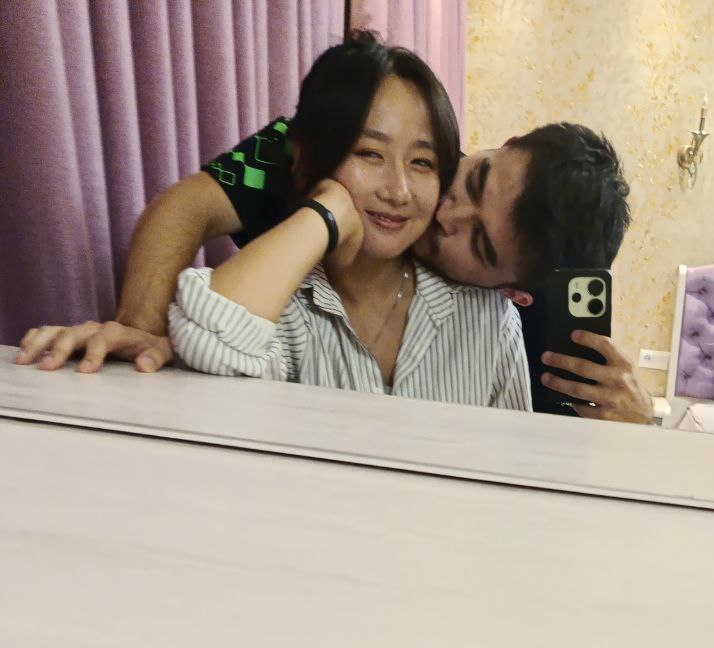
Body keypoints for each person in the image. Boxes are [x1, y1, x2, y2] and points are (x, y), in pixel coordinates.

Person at [15, 42, 652, 422]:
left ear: (510, 288)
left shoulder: (491, 321)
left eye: (478, 244)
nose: (433, 205)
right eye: (474, 177)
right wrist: (143, 327)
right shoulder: (333, 148)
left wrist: (634, 434)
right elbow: (185, 207)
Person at [168, 32, 530, 411]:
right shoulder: (277, 302)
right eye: (370, 153)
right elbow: (204, 345)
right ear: (304, 158)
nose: (399, 191)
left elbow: (517, 446)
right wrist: (328, 212)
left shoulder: (486, 318)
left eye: (422, 162)